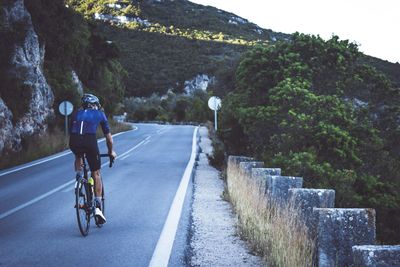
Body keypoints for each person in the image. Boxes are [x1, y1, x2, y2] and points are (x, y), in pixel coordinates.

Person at [69, 93, 117, 224]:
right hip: (90, 141)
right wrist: (111, 152)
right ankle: (97, 206)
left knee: (78, 154)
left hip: (74, 141)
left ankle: (78, 180)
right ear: (95, 105)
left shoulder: (75, 114)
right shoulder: (100, 114)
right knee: (96, 173)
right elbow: (109, 139)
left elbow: (72, 133)